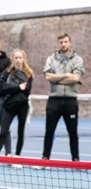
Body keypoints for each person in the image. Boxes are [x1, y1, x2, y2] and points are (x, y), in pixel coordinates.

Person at [0, 49, 33, 171]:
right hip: (9, 106)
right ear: (12, 59)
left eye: (20, 57)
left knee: (20, 132)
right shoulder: (6, 73)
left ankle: (16, 159)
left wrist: (13, 89)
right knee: (3, 131)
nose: (18, 60)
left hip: (22, 106)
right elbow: (2, 87)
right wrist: (17, 87)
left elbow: (26, 91)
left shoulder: (29, 74)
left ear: (24, 59)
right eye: (16, 57)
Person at [40, 33, 84, 164]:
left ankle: (75, 160)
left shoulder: (78, 60)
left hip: (70, 100)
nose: (63, 44)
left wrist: (56, 79)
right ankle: (45, 159)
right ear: (58, 43)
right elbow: (48, 77)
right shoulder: (51, 59)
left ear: (70, 43)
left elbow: (76, 78)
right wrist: (65, 75)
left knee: (72, 132)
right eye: (61, 42)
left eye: (65, 41)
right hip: (54, 100)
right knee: (49, 131)